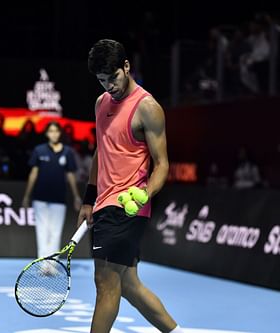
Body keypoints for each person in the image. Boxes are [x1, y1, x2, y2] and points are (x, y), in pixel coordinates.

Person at [78, 39, 183, 333]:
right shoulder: (101, 104)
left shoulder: (148, 108)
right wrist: (88, 199)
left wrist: (143, 194)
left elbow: (162, 164)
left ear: (127, 66)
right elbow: (102, 150)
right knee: (128, 285)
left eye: (113, 77)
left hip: (126, 206)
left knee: (105, 283)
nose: (109, 86)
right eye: (102, 81)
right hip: (102, 205)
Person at [22, 121, 82, 259]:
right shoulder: (39, 150)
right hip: (40, 197)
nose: (54, 134)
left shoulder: (67, 152)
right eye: (51, 131)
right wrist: (27, 196)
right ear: (46, 134)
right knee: (42, 231)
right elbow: (33, 173)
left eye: (56, 131)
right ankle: (42, 263)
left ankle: (53, 263)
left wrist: (76, 196)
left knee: (55, 232)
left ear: (60, 133)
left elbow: (71, 174)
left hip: (59, 198)